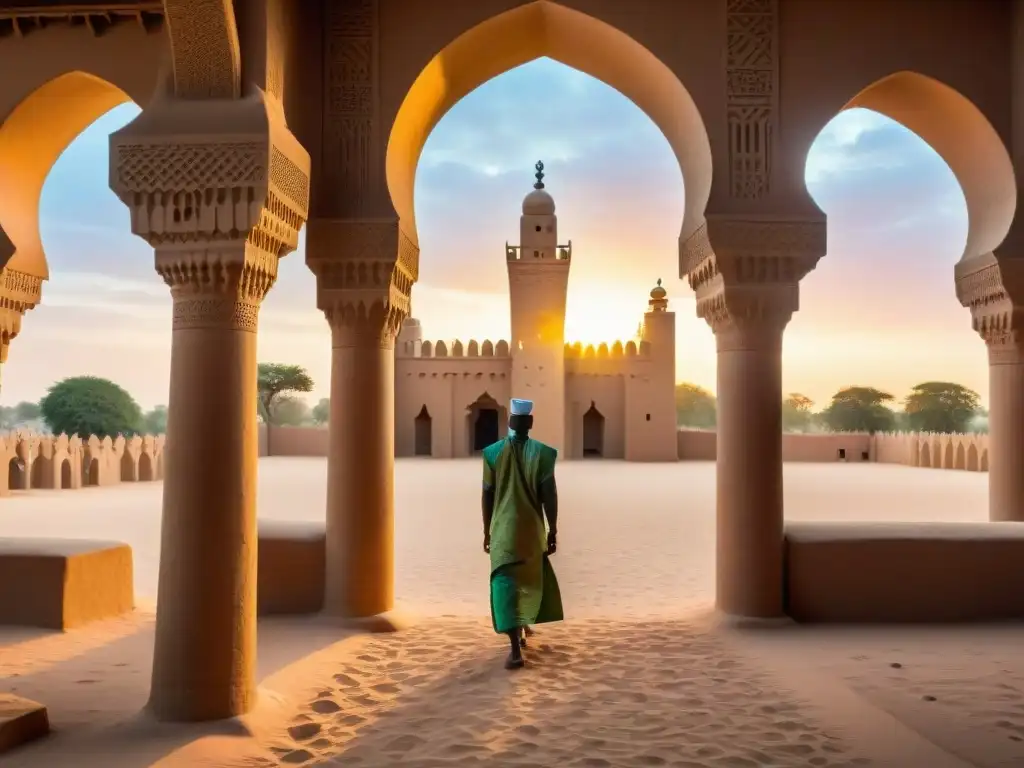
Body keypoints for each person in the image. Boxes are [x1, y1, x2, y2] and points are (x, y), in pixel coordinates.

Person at [482, 398, 563, 670]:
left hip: (503, 532)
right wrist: (552, 530)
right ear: (530, 423)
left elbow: (487, 494)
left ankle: (515, 650)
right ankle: (524, 624)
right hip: (531, 532)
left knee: (505, 584)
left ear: (510, 422)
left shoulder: (492, 453)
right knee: (527, 579)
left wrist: (486, 531)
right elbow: (549, 496)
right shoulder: (543, 454)